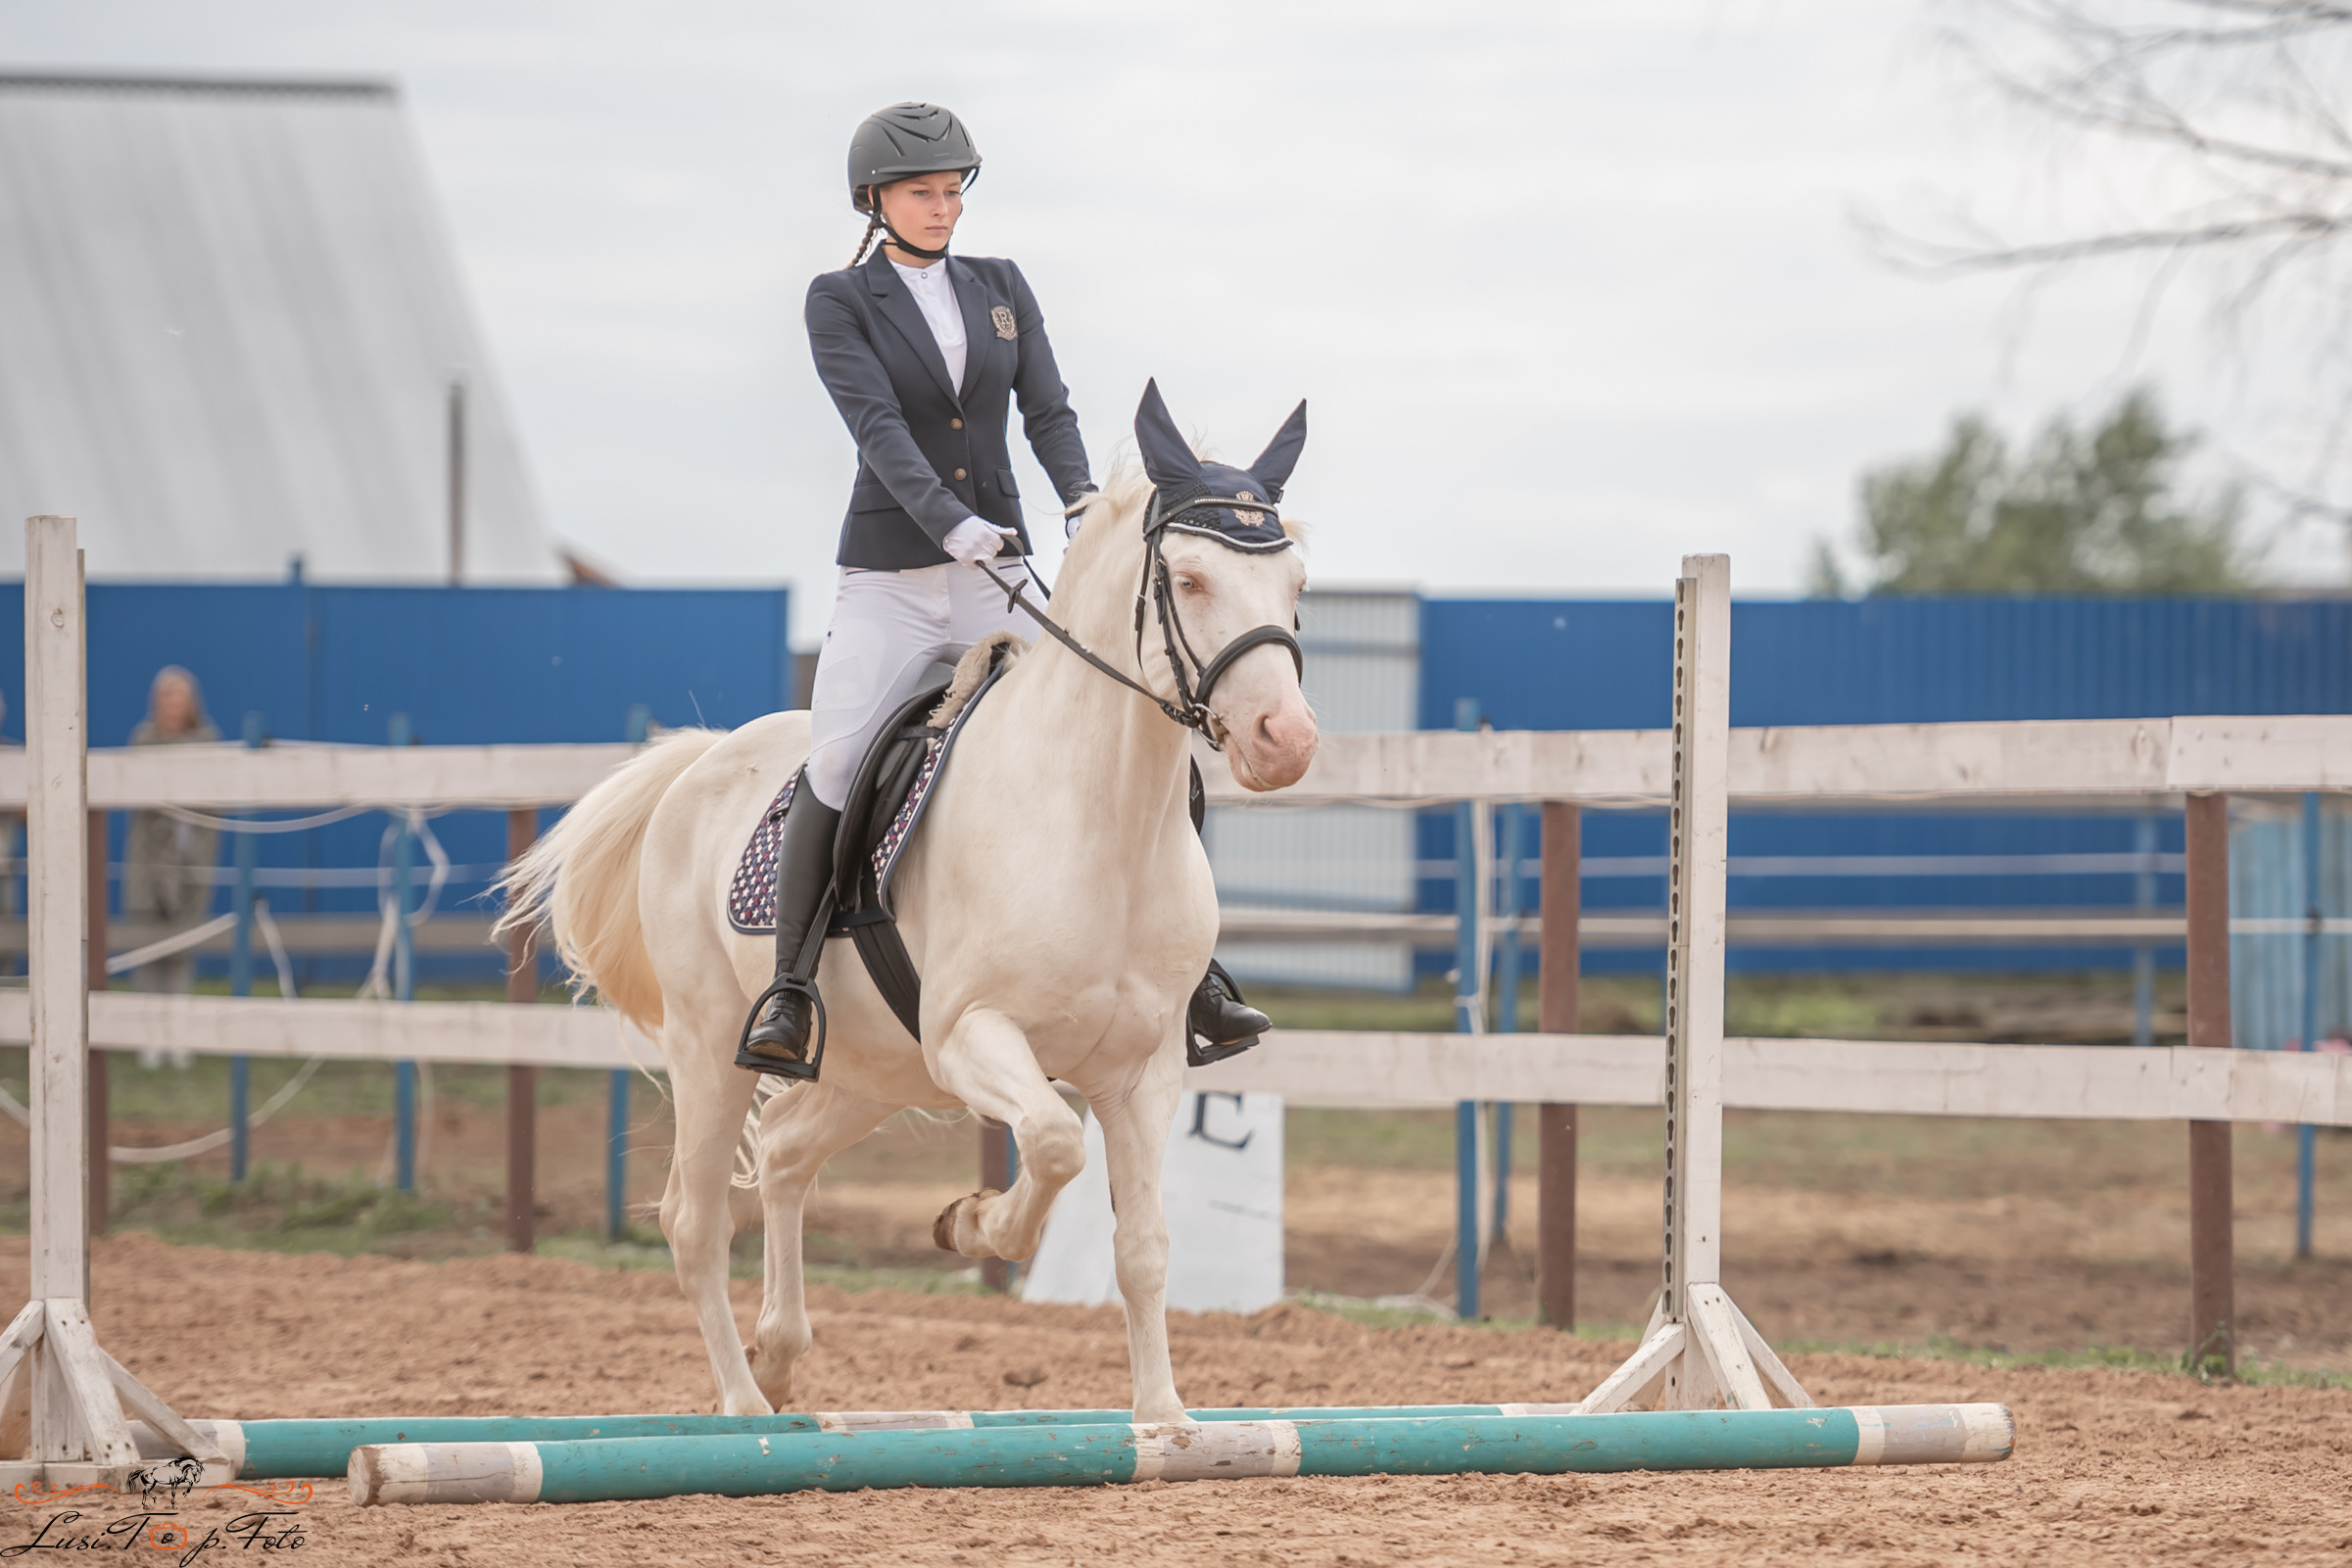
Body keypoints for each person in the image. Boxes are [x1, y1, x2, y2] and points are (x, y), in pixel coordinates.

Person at [740, 101, 1270, 1074]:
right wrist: (948, 521)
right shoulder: (839, 299)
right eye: (921, 193)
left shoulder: (1000, 286)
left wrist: (1078, 499)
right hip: (893, 577)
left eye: (953, 191)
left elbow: (1047, 407)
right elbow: (877, 427)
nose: (943, 209)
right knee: (840, 758)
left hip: (999, 568)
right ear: (874, 199)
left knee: (1130, 722)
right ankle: (792, 985)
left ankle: (1193, 972)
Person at [123, 667, 220, 1065]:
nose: (173, 705)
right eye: (166, 697)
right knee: (148, 950)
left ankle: (178, 1035)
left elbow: (214, 801)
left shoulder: (208, 743)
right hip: (149, 864)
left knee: (182, 950)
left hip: (191, 863)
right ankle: (149, 1037)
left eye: (179, 697)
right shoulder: (143, 740)